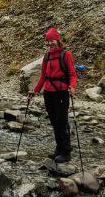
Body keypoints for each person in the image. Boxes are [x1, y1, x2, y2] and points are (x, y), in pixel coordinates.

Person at [31, 27, 77, 163]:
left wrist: (72, 87)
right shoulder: (47, 56)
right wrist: (35, 91)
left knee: (62, 122)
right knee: (54, 121)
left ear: (58, 40)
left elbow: (72, 74)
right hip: (48, 92)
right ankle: (59, 148)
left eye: (52, 40)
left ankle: (66, 152)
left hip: (62, 92)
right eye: (48, 41)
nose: (50, 43)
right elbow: (43, 76)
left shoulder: (66, 54)